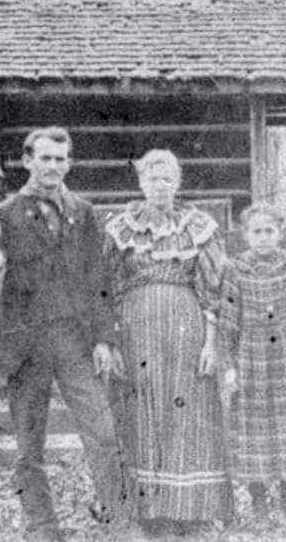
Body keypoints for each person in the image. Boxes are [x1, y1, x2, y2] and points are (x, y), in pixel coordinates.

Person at [0, 126, 131, 542]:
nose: (53, 166)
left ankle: (119, 521)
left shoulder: (84, 212)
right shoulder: (5, 214)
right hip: (26, 344)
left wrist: (104, 340)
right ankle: (40, 526)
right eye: (45, 158)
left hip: (76, 343)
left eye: (60, 159)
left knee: (104, 436)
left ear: (69, 163)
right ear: (27, 161)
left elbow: (99, 279)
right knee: (28, 447)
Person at [104, 149, 233, 534]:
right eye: (151, 179)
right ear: (140, 183)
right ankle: (150, 512)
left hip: (186, 330)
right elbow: (106, 287)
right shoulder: (122, 227)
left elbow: (216, 287)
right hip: (135, 332)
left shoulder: (197, 226)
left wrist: (212, 344)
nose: (159, 187)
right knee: (143, 414)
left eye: (166, 179)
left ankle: (190, 510)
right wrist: (110, 341)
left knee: (187, 413)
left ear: (177, 184)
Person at [219, 204, 286, 515]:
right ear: (246, 235)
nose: (263, 237)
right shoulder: (235, 269)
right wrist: (229, 367)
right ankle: (258, 497)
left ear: (280, 233)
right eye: (257, 231)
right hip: (250, 356)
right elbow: (229, 320)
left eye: (269, 231)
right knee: (253, 428)